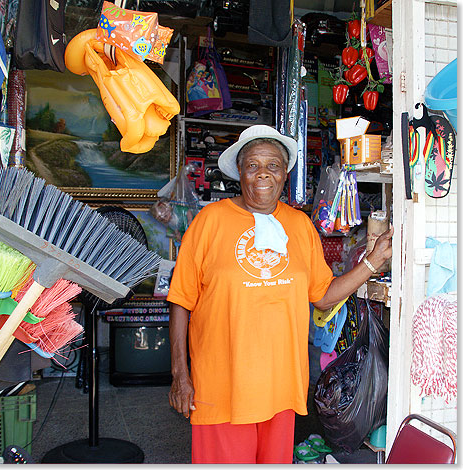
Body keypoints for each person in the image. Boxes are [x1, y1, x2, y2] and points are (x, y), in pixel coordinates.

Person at [167, 124, 393, 464]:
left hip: (280, 384)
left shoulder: (300, 225)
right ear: (239, 173)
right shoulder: (209, 221)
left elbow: (324, 295)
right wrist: (180, 375)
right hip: (221, 382)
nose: (263, 174)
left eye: (273, 165)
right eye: (253, 165)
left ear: (285, 175)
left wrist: (373, 262)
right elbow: (181, 300)